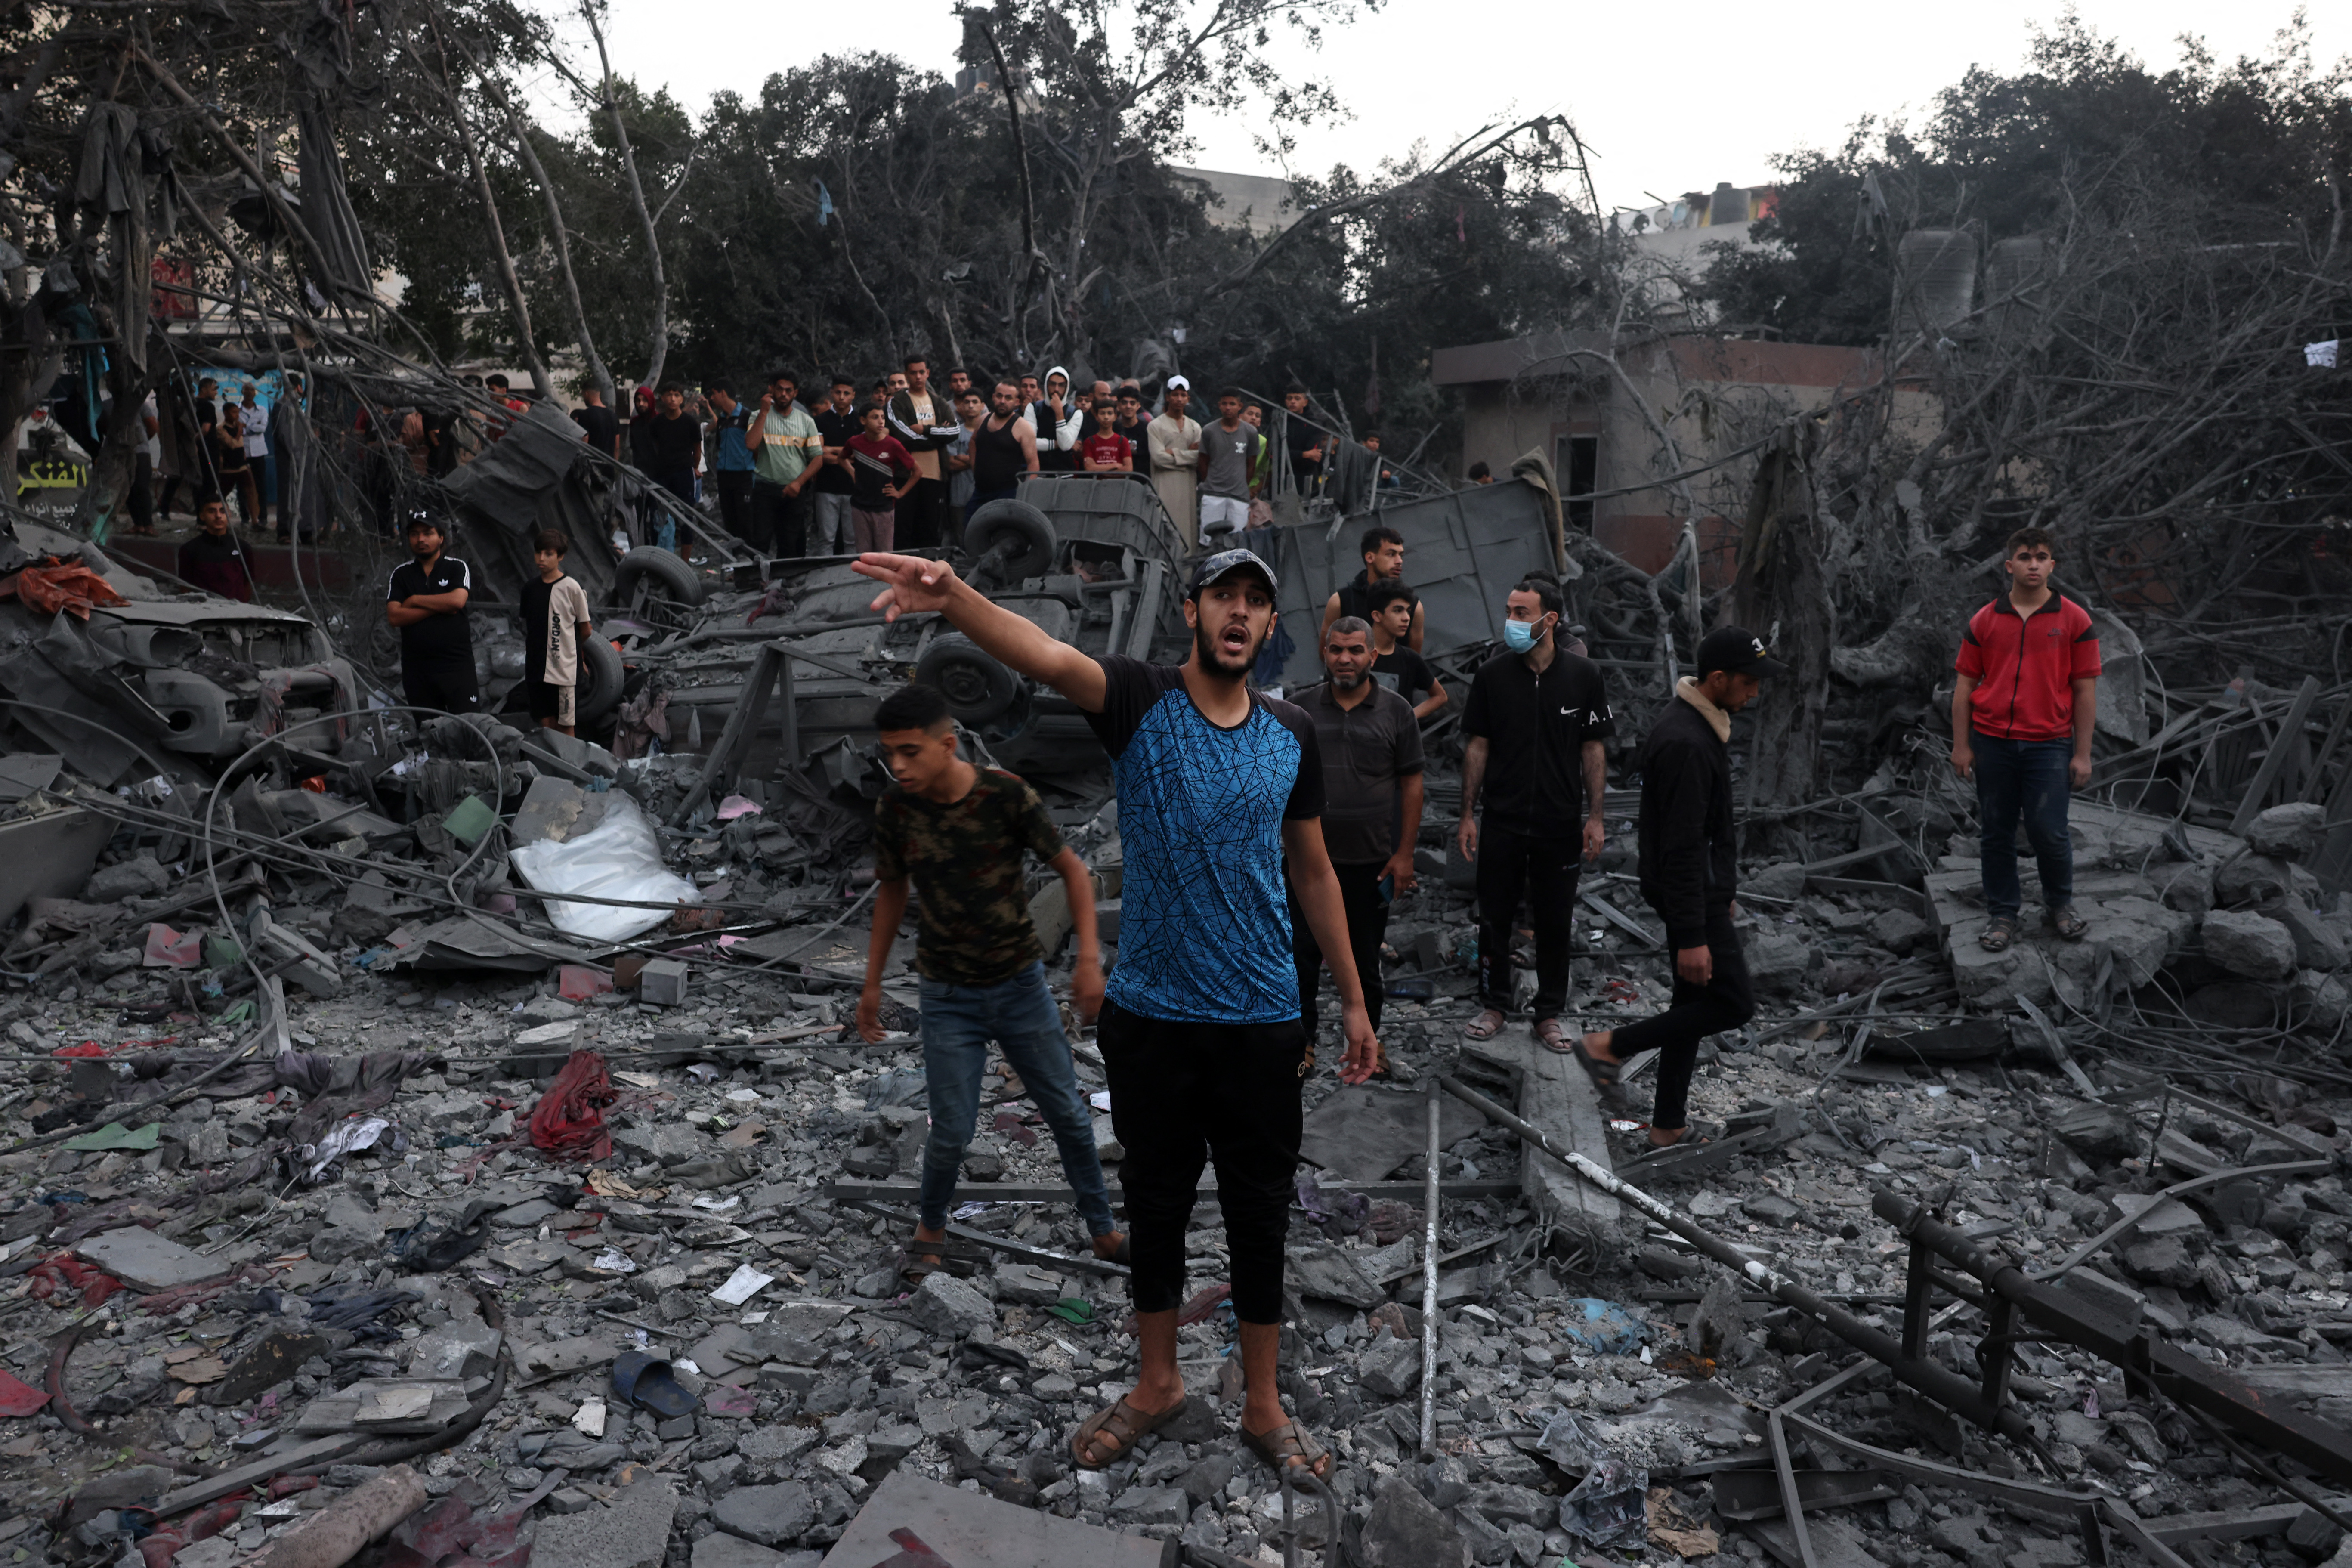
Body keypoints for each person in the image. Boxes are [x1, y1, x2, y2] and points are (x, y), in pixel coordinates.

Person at [850, 544, 1375, 1484]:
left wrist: (1353, 997)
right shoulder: (1139, 698)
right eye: (1224, 595)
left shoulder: (1291, 729)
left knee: (1259, 1214)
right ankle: (1157, 1383)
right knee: (1157, 1206)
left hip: (1262, 1016)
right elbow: (1044, 654)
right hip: (1154, 1015)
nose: (1239, 612)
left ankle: (1262, 1403)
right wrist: (955, 596)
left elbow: (1313, 869)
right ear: (1193, 610)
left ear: (1268, 624)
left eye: (1255, 601)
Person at [858, 681, 1129, 1282]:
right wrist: (871, 983)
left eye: (909, 751)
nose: (898, 766)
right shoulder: (897, 810)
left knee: (1067, 1114)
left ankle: (1103, 1230)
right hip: (946, 996)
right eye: (889, 753)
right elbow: (893, 892)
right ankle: (931, 1228)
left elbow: (1073, 872)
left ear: (946, 744)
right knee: (951, 1129)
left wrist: (1088, 960)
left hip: (1018, 989)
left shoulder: (1006, 796)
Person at [1576, 628, 1784, 1145]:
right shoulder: (1686, 741)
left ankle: (1667, 1124)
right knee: (1732, 1003)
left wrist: (1724, 890)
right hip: (1689, 892)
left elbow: (1706, 830)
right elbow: (1682, 844)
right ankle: (1608, 1045)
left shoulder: (1699, 725)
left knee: (1691, 1003)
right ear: (1717, 678)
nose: (1754, 692)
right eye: (1748, 682)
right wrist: (1693, 932)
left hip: (1700, 890)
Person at [1457, 574, 1614, 1049]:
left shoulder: (1583, 676)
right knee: (1494, 919)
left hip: (1558, 822)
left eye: (1521, 613)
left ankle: (1548, 1013)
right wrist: (1467, 814)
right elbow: (1477, 746)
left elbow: (1593, 750)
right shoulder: (1492, 675)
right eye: (1509, 610)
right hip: (1502, 819)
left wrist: (1595, 817)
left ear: (1550, 619)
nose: (1511, 620)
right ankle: (1494, 1005)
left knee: (1554, 921)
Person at [1952, 526, 2100, 950]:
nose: (2032, 564)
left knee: (2048, 830)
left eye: (2040, 557)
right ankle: (2002, 914)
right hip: (1992, 742)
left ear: (2051, 565)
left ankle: (2060, 906)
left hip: (2048, 745)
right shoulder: (1985, 620)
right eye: (2024, 556)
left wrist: (2082, 754)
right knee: (1996, 832)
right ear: (2009, 565)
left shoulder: (2075, 620)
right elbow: (1964, 687)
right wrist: (1961, 746)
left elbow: (2085, 691)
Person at [1290, 614, 1422, 1057]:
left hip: (1371, 862)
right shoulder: (1299, 710)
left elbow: (1412, 784)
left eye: (1354, 650)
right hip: (1307, 861)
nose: (1344, 659)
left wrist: (1404, 854)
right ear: (1325, 654)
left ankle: (1367, 1046)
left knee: (1365, 959)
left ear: (1373, 655)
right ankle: (1302, 1045)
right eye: (1336, 650)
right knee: (1301, 956)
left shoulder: (1397, 711)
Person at [385, 511, 479, 714]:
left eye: (428, 533)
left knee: (467, 726)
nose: (421, 539)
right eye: (415, 534)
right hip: (418, 670)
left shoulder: (456, 567)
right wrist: (440, 607)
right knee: (429, 729)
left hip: (456, 667)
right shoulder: (401, 574)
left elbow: (457, 601)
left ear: (441, 538)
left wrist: (414, 601)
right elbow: (395, 617)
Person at [522, 529, 594, 736]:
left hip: (563, 671)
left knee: (565, 725)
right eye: (538, 553)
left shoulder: (572, 588)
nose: (541, 559)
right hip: (536, 668)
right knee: (546, 723)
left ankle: (567, 759)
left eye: (549, 554)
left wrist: (574, 654)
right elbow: (531, 627)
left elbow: (586, 630)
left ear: (560, 556)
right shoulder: (530, 589)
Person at [746, 371, 823, 558]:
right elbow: (751, 445)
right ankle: (758, 575)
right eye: (780, 389)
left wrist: (799, 483)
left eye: (789, 391)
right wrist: (764, 412)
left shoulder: (806, 421)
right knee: (760, 541)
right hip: (765, 489)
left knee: (790, 543)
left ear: (795, 393)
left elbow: (817, 458)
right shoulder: (757, 415)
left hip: (794, 491)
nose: (784, 394)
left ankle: (786, 577)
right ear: (771, 389)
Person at [885, 356, 955, 548]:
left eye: (922, 372)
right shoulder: (896, 402)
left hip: (935, 476)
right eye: (913, 373)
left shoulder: (938, 401)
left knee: (930, 531)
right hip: (905, 476)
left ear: (928, 374)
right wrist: (939, 435)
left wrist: (926, 430)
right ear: (906, 375)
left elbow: (954, 431)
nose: (918, 377)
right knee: (903, 530)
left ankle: (928, 568)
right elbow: (903, 435)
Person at [1322, 525, 1424, 651]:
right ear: (1370, 557)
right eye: (1391, 554)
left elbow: (1414, 657)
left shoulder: (1413, 605)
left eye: (1401, 555)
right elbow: (1326, 653)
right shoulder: (1341, 601)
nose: (1399, 561)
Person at [1194, 388, 1263, 549]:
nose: (1228, 408)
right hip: (1213, 494)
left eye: (1232, 404)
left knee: (1237, 542)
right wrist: (1210, 481)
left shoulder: (1250, 432)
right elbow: (1203, 460)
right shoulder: (1209, 430)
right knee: (1209, 541)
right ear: (1219, 405)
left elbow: (1251, 463)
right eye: (1224, 404)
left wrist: (1242, 484)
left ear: (1240, 406)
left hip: (1239, 496)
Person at [1368, 581, 1445, 718]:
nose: (1407, 618)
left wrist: (1407, 719)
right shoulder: (1355, 653)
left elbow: (1440, 696)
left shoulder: (1409, 658)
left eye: (1408, 611)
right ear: (1377, 616)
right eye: (1398, 611)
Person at [846, 403, 917, 552]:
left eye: (883, 418)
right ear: (863, 420)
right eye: (875, 418)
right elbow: (842, 458)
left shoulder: (893, 444)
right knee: (863, 554)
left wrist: (900, 493)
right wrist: (853, 473)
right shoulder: (854, 442)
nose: (881, 421)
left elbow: (917, 472)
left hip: (884, 508)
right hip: (860, 507)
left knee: (885, 555)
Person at [966, 379, 1040, 521]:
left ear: (1017, 402)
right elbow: (973, 442)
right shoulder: (983, 419)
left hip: (1007, 494)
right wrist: (975, 468)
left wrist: (1024, 495)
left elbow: (1034, 464)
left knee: (1001, 532)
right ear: (994, 397)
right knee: (970, 530)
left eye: (1008, 398)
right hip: (980, 492)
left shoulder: (1023, 428)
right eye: (999, 396)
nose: (1002, 401)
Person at [1146, 377, 1202, 546]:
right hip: (1164, 484)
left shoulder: (1195, 427)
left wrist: (1175, 454)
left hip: (1188, 486)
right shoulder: (1155, 426)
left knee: (1187, 532)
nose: (1179, 399)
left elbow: (1200, 457)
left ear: (1188, 399)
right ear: (1168, 397)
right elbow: (1159, 458)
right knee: (1164, 529)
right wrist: (1187, 456)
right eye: (1175, 395)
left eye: (1183, 395)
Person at [810, 374, 861, 556]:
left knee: (852, 540)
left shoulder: (861, 421)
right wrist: (847, 453)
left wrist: (831, 450)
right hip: (826, 488)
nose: (842, 397)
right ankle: (824, 572)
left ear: (853, 395)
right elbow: (818, 453)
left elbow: (860, 453)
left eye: (846, 393)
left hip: (853, 488)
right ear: (832, 393)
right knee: (826, 539)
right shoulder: (820, 420)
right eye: (838, 392)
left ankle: (851, 572)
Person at [704, 383, 757, 546]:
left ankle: (749, 557)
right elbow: (720, 445)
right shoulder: (721, 420)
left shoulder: (747, 416)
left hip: (744, 476)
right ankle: (735, 558)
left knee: (746, 521)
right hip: (724, 477)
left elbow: (757, 448)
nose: (712, 399)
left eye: (714, 394)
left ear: (723, 393)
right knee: (730, 522)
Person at [176, 498, 253, 601]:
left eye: (223, 511)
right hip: (205, 608)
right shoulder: (189, 550)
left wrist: (243, 606)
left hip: (236, 608)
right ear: (202, 516)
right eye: (212, 512)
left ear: (229, 514)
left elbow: (248, 583)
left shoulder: (243, 548)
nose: (218, 516)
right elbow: (185, 587)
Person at [644, 384, 700, 508]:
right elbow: (655, 446)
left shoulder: (690, 423)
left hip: (684, 472)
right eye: (669, 395)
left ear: (682, 399)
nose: (673, 399)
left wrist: (695, 468)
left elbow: (697, 449)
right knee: (659, 509)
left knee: (685, 510)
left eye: (676, 395)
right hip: (662, 473)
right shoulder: (656, 423)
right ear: (663, 398)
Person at [213, 403, 260, 528]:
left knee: (251, 491)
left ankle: (255, 521)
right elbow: (232, 444)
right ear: (226, 413)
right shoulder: (221, 429)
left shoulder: (236, 426)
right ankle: (221, 518)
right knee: (221, 495)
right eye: (234, 412)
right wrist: (240, 431)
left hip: (242, 466)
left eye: (238, 412)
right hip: (229, 468)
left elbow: (241, 445)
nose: (237, 415)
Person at [1029, 367, 1082, 473]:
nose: (1056, 389)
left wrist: (1059, 413)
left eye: (1061, 385)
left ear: (1067, 387)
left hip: (1065, 475)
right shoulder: (1033, 408)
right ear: (1046, 385)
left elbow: (1065, 445)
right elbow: (1029, 443)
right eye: (1053, 384)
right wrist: (1054, 445)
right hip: (1038, 474)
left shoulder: (1075, 413)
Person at [238, 383, 272, 533]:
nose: (250, 393)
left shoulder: (262, 410)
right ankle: (245, 517)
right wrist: (252, 426)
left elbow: (263, 428)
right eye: (247, 390)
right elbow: (237, 429)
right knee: (242, 486)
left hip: (258, 452)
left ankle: (263, 517)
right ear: (242, 392)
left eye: (252, 390)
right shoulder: (236, 410)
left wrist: (245, 427)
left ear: (256, 393)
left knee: (261, 485)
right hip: (243, 451)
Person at [1280, 386, 1323, 499]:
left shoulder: (1314, 425)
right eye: (1290, 398)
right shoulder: (1279, 423)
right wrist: (1304, 454)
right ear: (1286, 401)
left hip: (1306, 482)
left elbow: (1314, 458)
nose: (1293, 402)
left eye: (1297, 398)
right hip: (1280, 481)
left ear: (1305, 402)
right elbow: (1275, 454)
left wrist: (1291, 455)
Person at [1079, 399, 1133, 473]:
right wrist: (1116, 466)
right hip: (1096, 481)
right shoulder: (1089, 442)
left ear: (1115, 417)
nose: (1106, 417)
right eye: (1102, 414)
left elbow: (1128, 469)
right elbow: (1089, 468)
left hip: (1118, 481)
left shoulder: (1123, 441)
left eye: (1110, 414)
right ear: (1097, 417)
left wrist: (1100, 471)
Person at [572, 383, 621, 460]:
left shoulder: (585, 415)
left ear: (587, 394)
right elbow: (617, 447)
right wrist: (615, 463)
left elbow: (584, 443)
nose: (584, 398)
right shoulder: (614, 417)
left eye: (583, 395)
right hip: (609, 464)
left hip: (592, 464)